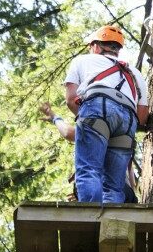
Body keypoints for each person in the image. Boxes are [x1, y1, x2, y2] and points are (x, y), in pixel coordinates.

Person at [63, 25, 148, 204]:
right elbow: (142, 117)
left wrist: (91, 122)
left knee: (89, 170)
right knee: (114, 185)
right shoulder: (135, 73)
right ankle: (112, 222)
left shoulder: (82, 61)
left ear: (95, 45)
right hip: (128, 120)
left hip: (97, 107)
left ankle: (91, 220)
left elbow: (71, 99)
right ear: (117, 49)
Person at [39, 102, 139, 203]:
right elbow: (129, 169)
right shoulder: (122, 133)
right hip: (122, 191)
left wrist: (54, 117)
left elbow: (68, 132)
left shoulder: (96, 131)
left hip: (103, 188)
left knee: (91, 184)